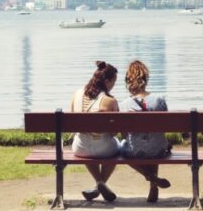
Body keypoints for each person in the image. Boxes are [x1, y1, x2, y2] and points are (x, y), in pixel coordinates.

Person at [119, 60, 171, 203]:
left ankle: (149, 176)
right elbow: (165, 128)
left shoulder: (124, 105)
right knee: (154, 140)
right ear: (146, 79)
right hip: (159, 150)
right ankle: (153, 186)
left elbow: (124, 134)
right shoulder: (160, 99)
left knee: (120, 149)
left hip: (136, 152)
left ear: (129, 81)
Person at [70, 61, 120, 202]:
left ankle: (98, 184)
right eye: (114, 82)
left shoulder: (76, 94)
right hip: (104, 149)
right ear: (106, 81)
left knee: (86, 145)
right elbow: (115, 132)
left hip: (80, 148)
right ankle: (100, 184)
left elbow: (71, 124)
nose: (114, 85)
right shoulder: (110, 101)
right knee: (118, 146)